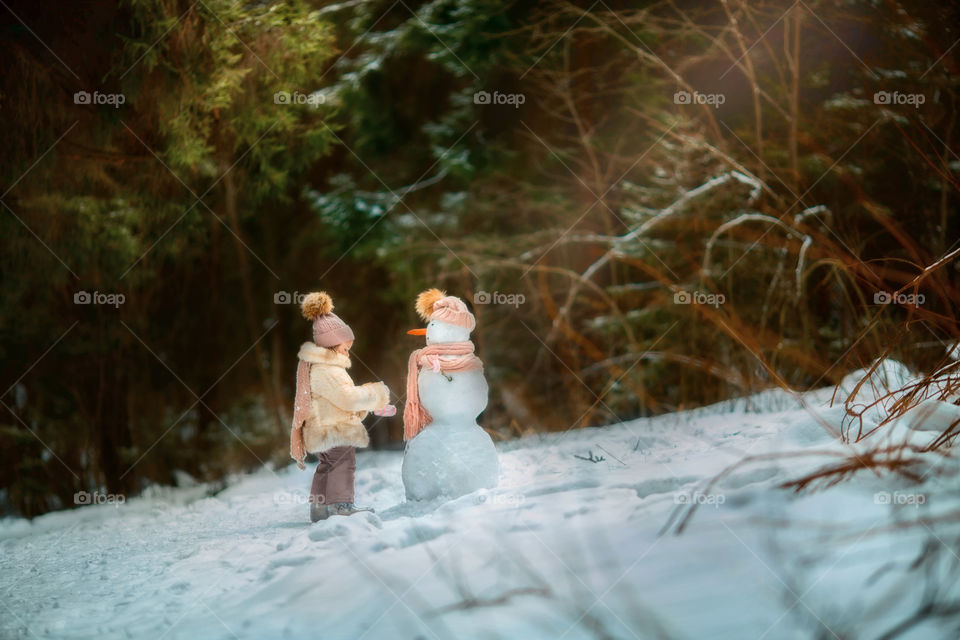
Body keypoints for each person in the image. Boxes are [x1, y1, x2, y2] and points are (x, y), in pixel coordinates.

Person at [289, 291, 395, 522]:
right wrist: (375, 393)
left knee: (326, 465)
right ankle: (341, 505)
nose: (349, 350)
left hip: (322, 427)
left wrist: (363, 407)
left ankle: (320, 508)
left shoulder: (319, 367)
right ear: (333, 344)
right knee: (343, 463)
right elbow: (346, 398)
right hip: (334, 428)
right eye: (346, 346)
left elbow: (337, 401)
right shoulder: (328, 369)